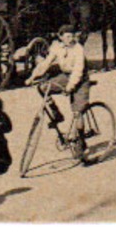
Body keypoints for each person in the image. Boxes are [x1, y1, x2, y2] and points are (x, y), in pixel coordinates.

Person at [27, 24, 91, 157]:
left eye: (72, 36)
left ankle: (82, 143)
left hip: (80, 79)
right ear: (60, 37)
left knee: (78, 112)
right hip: (66, 76)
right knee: (43, 87)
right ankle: (57, 114)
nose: (70, 39)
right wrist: (32, 76)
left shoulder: (78, 49)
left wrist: (71, 87)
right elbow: (46, 63)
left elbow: (78, 70)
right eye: (67, 36)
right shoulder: (57, 48)